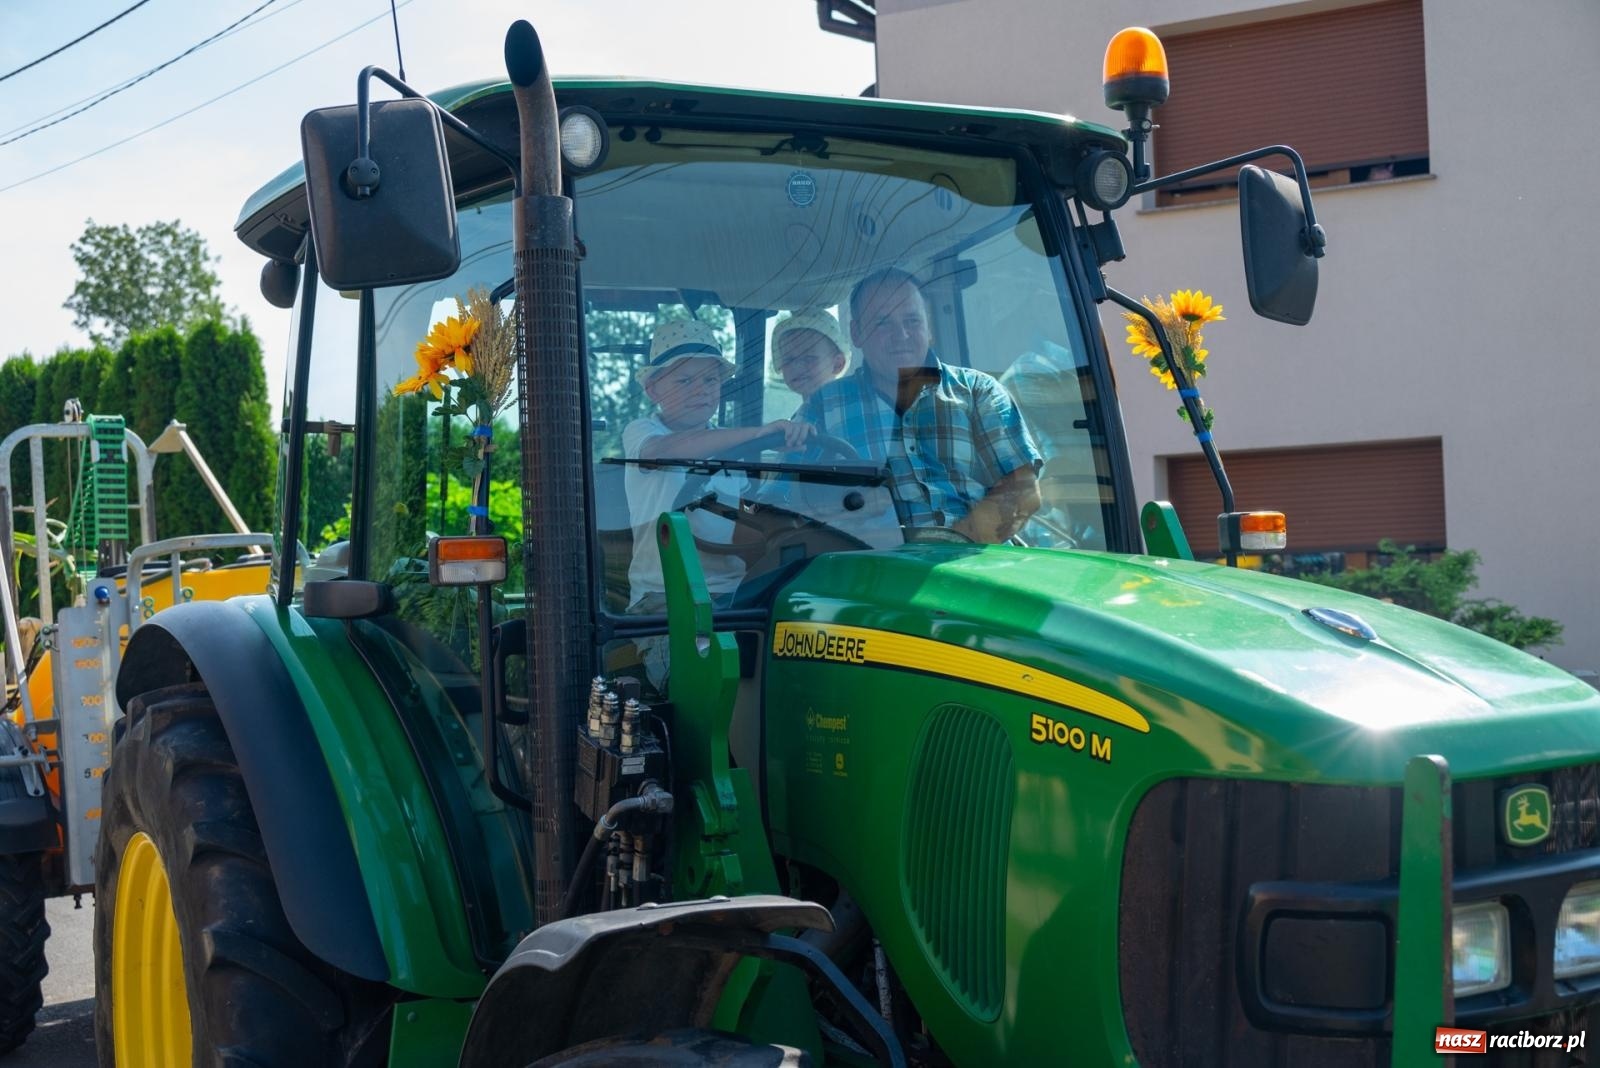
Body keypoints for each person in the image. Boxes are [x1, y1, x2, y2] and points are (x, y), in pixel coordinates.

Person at [802, 268, 1042, 543]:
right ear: (856, 333)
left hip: (979, 558)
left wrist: (950, 546)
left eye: (912, 321)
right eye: (883, 323)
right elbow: (784, 500)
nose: (901, 334)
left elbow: (1023, 489)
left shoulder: (978, 392)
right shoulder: (823, 406)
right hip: (868, 562)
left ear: (929, 329)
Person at [623, 318, 812, 612]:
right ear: (653, 389)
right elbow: (664, 451)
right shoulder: (644, 433)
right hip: (665, 597)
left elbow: (743, 513)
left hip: (734, 594)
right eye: (685, 381)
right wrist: (758, 434)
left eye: (710, 380)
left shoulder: (732, 445)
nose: (701, 390)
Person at [771, 308, 848, 405]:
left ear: (837, 364)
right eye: (788, 360)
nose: (797, 366)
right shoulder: (801, 414)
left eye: (809, 358)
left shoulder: (850, 408)